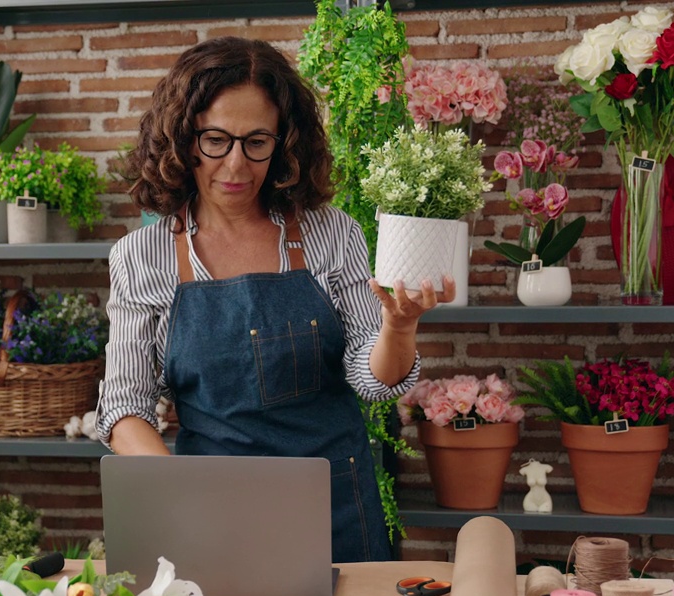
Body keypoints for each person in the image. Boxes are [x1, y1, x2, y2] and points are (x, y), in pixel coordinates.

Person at [96, 36, 454, 563]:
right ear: (181, 139)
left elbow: (372, 379)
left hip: (335, 509)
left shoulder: (330, 234)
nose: (236, 165)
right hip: (208, 513)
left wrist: (399, 329)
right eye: (215, 140)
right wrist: (178, 490)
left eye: (256, 141)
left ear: (284, 143)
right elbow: (125, 407)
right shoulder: (141, 256)